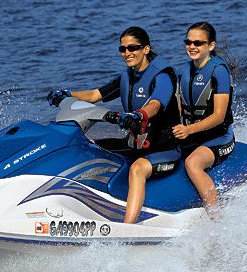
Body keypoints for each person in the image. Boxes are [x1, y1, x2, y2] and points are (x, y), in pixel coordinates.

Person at [47, 26, 180, 224]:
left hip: (164, 149)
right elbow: (95, 95)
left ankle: (127, 228)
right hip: (136, 145)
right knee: (88, 147)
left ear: (146, 49)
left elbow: (155, 104)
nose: (127, 53)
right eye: (123, 49)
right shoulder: (128, 76)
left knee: (137, 169)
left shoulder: (163, 76)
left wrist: (139, 115)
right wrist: (67, 94)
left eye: (133, 48)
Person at [172, 22, 235, 219]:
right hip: (193, 135)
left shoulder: (219, 72)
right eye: (188, 42)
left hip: (219, 137)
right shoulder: (182, 72)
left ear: (211, 45)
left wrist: (189, 130)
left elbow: (219, 117)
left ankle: (216, 216)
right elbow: (179, 109)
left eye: (198, 43)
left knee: (192, 163)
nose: (192, 46)